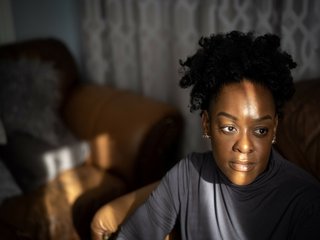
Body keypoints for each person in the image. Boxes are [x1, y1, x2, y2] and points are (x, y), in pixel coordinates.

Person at [115, 31, 320, 239]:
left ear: (274, 129)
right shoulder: (187, 176)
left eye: (260, 130)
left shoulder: (306, 201)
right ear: (206, 124)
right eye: (229, 128)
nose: (245, 146)